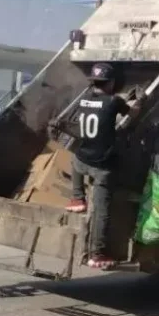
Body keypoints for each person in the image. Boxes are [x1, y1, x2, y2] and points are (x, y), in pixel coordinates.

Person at [65, 63, 138, 270]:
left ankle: (77, 197)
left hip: (82, 160)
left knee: (75, 160)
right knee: (102, 211)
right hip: (101, 166)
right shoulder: (113, 101)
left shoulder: (84, 100)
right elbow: (131, 114)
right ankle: (97, 253)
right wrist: (137, 104)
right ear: (112, 83)